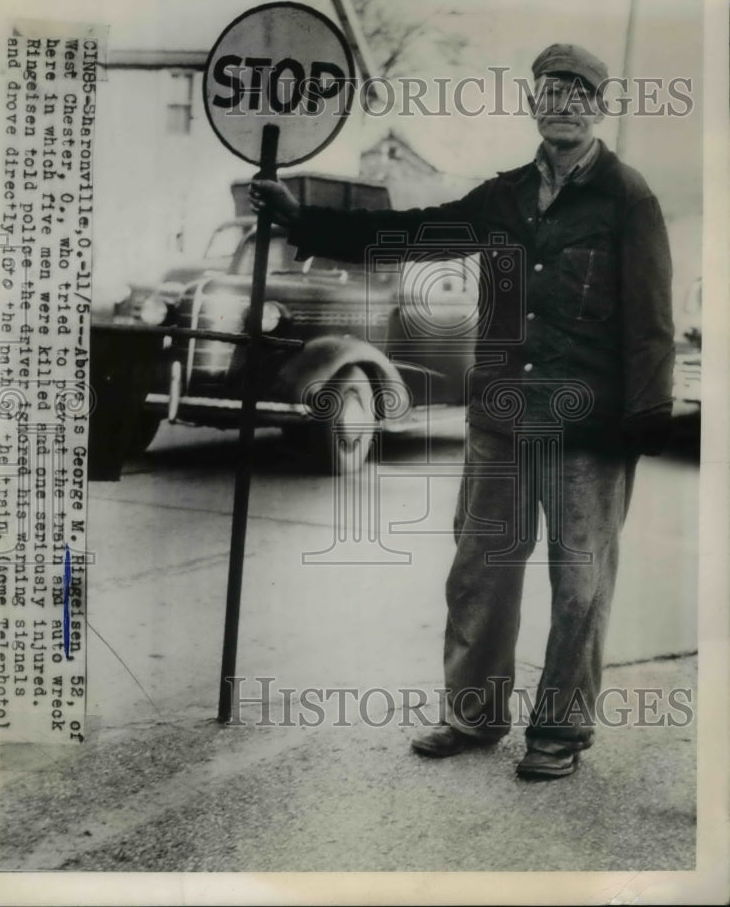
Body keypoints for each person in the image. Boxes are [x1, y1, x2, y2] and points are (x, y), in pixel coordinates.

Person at [250, 44, 675, 780]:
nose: (562, 105)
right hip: (501, 420)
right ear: (533, 103)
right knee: (481, 571)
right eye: (550, 91)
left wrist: (640, 423)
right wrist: (307, 223)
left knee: (579, 584)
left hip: (586, 429)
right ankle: (473, 715)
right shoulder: (503, 197)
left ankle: (559, 732)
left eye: (577, 93)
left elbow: (650, 327)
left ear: (599, 106)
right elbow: (413, 235)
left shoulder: (626, 198)